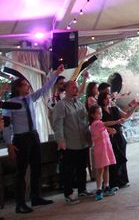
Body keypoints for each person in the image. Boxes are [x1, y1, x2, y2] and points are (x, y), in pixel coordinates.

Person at [3, 63, 64, 214]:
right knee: (21, 171)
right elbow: (6, 126)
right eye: (25, 85)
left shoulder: (30, 98)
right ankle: (20, 203)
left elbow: (44, 89)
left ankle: (36, 196)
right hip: (21, 138)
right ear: (17, 88)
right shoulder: (10, 104)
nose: (28, 87)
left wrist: (56, 73)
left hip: (33, 135)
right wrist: (9, 144)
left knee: (37, 167)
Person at [52, 80, 91, 204]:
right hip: (69, 143)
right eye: (73, 87)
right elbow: (58, 124)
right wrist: (61, 140)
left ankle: (82, 189)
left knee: (81, 167)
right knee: (68, 170)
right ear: (67, 89)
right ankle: (68, 194)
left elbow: (85, 120)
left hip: (82, 142)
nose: (76, 88)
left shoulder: (79, 103)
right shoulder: (61, 105)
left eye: (76, 87)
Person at [98, 91, 139, 189]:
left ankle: (123, 180)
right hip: (108, 137)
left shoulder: (114, 109)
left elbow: (125, 116)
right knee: (112, 160)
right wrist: (112, 126)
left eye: (109, 98)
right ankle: (113, 182)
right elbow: (100, 124)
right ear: (101, 100)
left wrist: (134, 108)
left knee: (122, 158)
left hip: (119, 136)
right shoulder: (99, 112)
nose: (108, 100)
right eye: (105, 98)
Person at [88, 105, 121, 200]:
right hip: (100, 150)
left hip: (106, 149)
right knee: (100, 170)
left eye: (101, 113)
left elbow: (105, 129)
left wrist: (111, 131)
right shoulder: (95, 124)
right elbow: (106, 124)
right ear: (93, 115)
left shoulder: (100, 124)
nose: (100, 115)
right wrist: (117, 121)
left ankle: (106, 186)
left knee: (106, 168)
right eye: (98, 113)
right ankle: (98, 189)